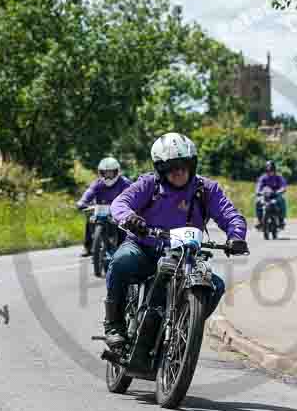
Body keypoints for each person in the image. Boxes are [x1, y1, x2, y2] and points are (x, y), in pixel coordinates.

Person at [104, 133, 249, 347]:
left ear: (193, 164)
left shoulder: (206, 189)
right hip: (144, 248)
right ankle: (114, 325)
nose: (179, 171)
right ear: (161, 169)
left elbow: (231, 215)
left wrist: (236, 236)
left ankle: (184, 330)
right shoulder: (148, 185)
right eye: (172, 167)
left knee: (215, 285)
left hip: (185, 255)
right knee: (121, 262)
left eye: (185, 165)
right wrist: (130, 218)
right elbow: (120, 203)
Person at [76, 157, 132, 257]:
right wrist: (82, 202)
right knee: (89, 219)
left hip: (118, 211)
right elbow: (89, 192)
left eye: (110, 173)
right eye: (105, 173)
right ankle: (87, 247)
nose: (108, 176)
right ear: (100, 173)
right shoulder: (98, 183)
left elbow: (133, 195)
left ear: (117, 172)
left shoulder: (125, 183)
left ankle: (125, 246)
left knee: (124, 225)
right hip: (100, 210)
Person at [255, 160, 287, 229]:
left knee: (282, 200)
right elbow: (259, 186)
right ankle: (259, 220)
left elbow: (283, 186)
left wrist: (281, 190)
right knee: (257, 202)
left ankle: (281, 220)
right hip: (265, 196)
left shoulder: (279, 177)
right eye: (268, 170)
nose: (270, 172)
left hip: (276, 195)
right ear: (266, 170)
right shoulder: (263, 178)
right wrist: (258, 192)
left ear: (274, 169)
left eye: (271, 170)